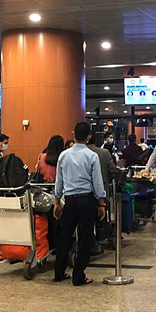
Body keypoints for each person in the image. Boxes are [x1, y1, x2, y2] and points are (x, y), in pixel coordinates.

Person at [53, 122, 106, 286]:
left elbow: (59, 181)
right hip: (86, 200)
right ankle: (78, 276)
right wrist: (101, 202)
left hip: (69, 200)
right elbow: (97, 182)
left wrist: (57, 202)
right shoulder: (92, 156)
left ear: (72, 133)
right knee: (84, 238)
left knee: (65, 236)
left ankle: (59, 272)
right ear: (89, 136)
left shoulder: (64, 155)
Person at [87, 130, 119, 255]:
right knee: (102, 215)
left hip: (83, 193)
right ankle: (101, 237)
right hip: (101, 190)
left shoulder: (74, 154)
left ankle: (91, 241)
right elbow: (112, 169)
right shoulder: (104, 153)